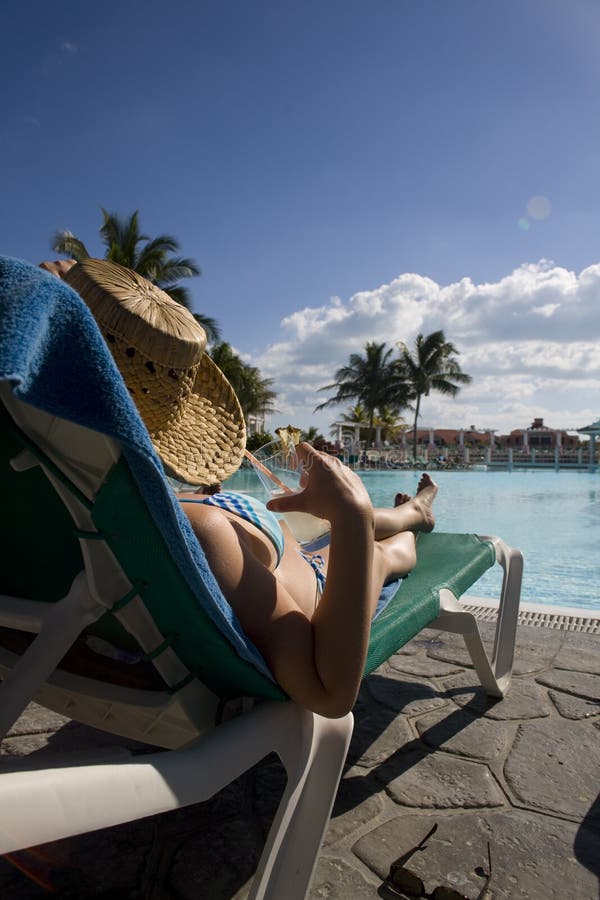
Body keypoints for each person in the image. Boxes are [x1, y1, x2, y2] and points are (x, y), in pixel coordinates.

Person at [40, 258, 438, 718]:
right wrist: (350, 511)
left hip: (246, 533)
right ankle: (408, 528)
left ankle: (412, 514)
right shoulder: (193, 533)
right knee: (372, 545)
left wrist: (58, 307)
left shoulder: (56, 495)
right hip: (308, 578)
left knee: (320, 522)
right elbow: (328, 693)